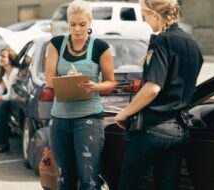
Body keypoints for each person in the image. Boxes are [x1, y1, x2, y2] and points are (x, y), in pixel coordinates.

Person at [114, 0, 203, 189]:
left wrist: (125, 113)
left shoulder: (162, 41)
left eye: (145, 16)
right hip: (180, 131)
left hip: (152, 130)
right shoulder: (192, 45)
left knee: (129, 185)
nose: (146, 22)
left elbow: (153, 88)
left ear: (154, 14)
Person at [45, 0, 117, 189]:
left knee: (88, 179)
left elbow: (111, 82)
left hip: (88, 120)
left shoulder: (101, 47)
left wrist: (94, 86)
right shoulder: (56, 44)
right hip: (59, 119)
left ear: (90, 22)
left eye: (82, 24)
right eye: (72, 24)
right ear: (68, 22)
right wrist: (65, 80)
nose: (77, 29)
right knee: (64, 177)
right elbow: (48, 79)